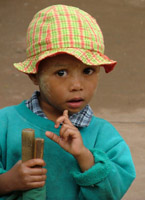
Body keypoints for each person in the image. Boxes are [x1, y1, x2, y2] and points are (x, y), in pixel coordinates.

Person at [0, 4, 136, 200]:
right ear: (34, 75)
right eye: (61, 73)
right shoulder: (5, 123)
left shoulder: (105, 136)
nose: (77, 85)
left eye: (88, 70)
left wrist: (85, 157)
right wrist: (7, 182)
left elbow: (114, 191)